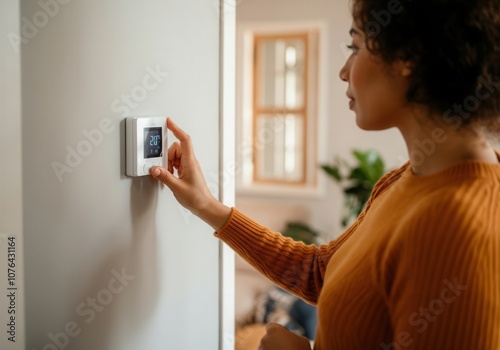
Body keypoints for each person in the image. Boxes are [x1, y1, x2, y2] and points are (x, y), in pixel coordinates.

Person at [151, 0, 500, 348]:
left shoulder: (462, 224)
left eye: (356, 46)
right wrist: (206, 205)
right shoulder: (407, 178)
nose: (343, 71)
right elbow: (320, 273)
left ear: (409, 56)